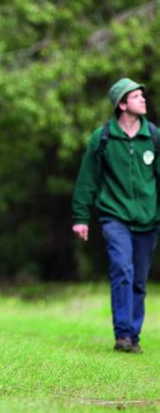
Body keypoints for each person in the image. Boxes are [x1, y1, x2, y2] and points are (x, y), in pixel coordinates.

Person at [71, 77, 158, 353]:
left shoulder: (153, 137)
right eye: (135, 97)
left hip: (148, 220)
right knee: (122, 269)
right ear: (122, 104)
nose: (143, 99)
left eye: (142, 96)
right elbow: (88, 180)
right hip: (114, 216)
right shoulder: (103, 138)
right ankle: (122, 335)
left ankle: (134, 335)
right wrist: (81, 217)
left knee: (138, 281)